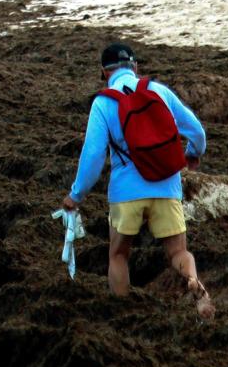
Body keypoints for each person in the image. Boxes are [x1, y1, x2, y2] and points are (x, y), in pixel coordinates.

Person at [61, 42, 215, 319]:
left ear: (104, 73)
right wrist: (192, 154)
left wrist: (76, 195)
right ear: (135, 67)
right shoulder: (159, 91)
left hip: (126, 193)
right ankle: (194, 281)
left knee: (118, 255)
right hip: (166, 186)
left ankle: (124, 315)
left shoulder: (103, 102)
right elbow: (197, 131)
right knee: (178, 253)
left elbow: (93, 156)